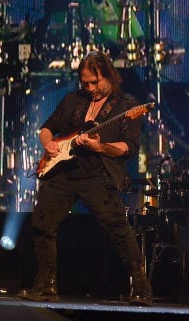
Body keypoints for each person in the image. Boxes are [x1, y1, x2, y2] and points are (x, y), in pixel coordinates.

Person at [19, 51, 154, 305]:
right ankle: (46, 284)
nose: (90, 88)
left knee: (117, 227)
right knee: (42, 223)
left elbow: (127, 147)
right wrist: (48, 144)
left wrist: (99, 147)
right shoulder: (73, 100)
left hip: (97, 174)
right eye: (85, 83)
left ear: (109, 76)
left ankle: (141, 285)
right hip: (63, 173)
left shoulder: (126, 106)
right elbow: (48, 127)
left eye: (95, 82)